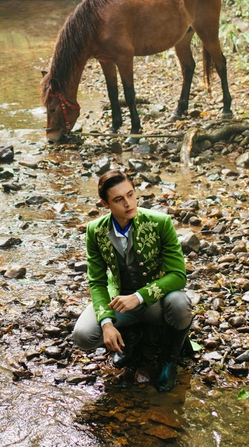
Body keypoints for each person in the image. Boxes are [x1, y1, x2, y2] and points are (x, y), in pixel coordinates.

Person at [72, 168, 193, 392]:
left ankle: (169, 360)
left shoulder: (160, 222)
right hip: (118, 303)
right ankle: (130, 337)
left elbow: (178, 275)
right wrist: (106, 323)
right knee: (83, 336)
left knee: (180, 304)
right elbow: (97, 282)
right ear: (105, 204)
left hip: (155, 303)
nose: (128, 203)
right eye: (118, 199)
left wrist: (139, 297)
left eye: (130, 194)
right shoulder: (95, 231)